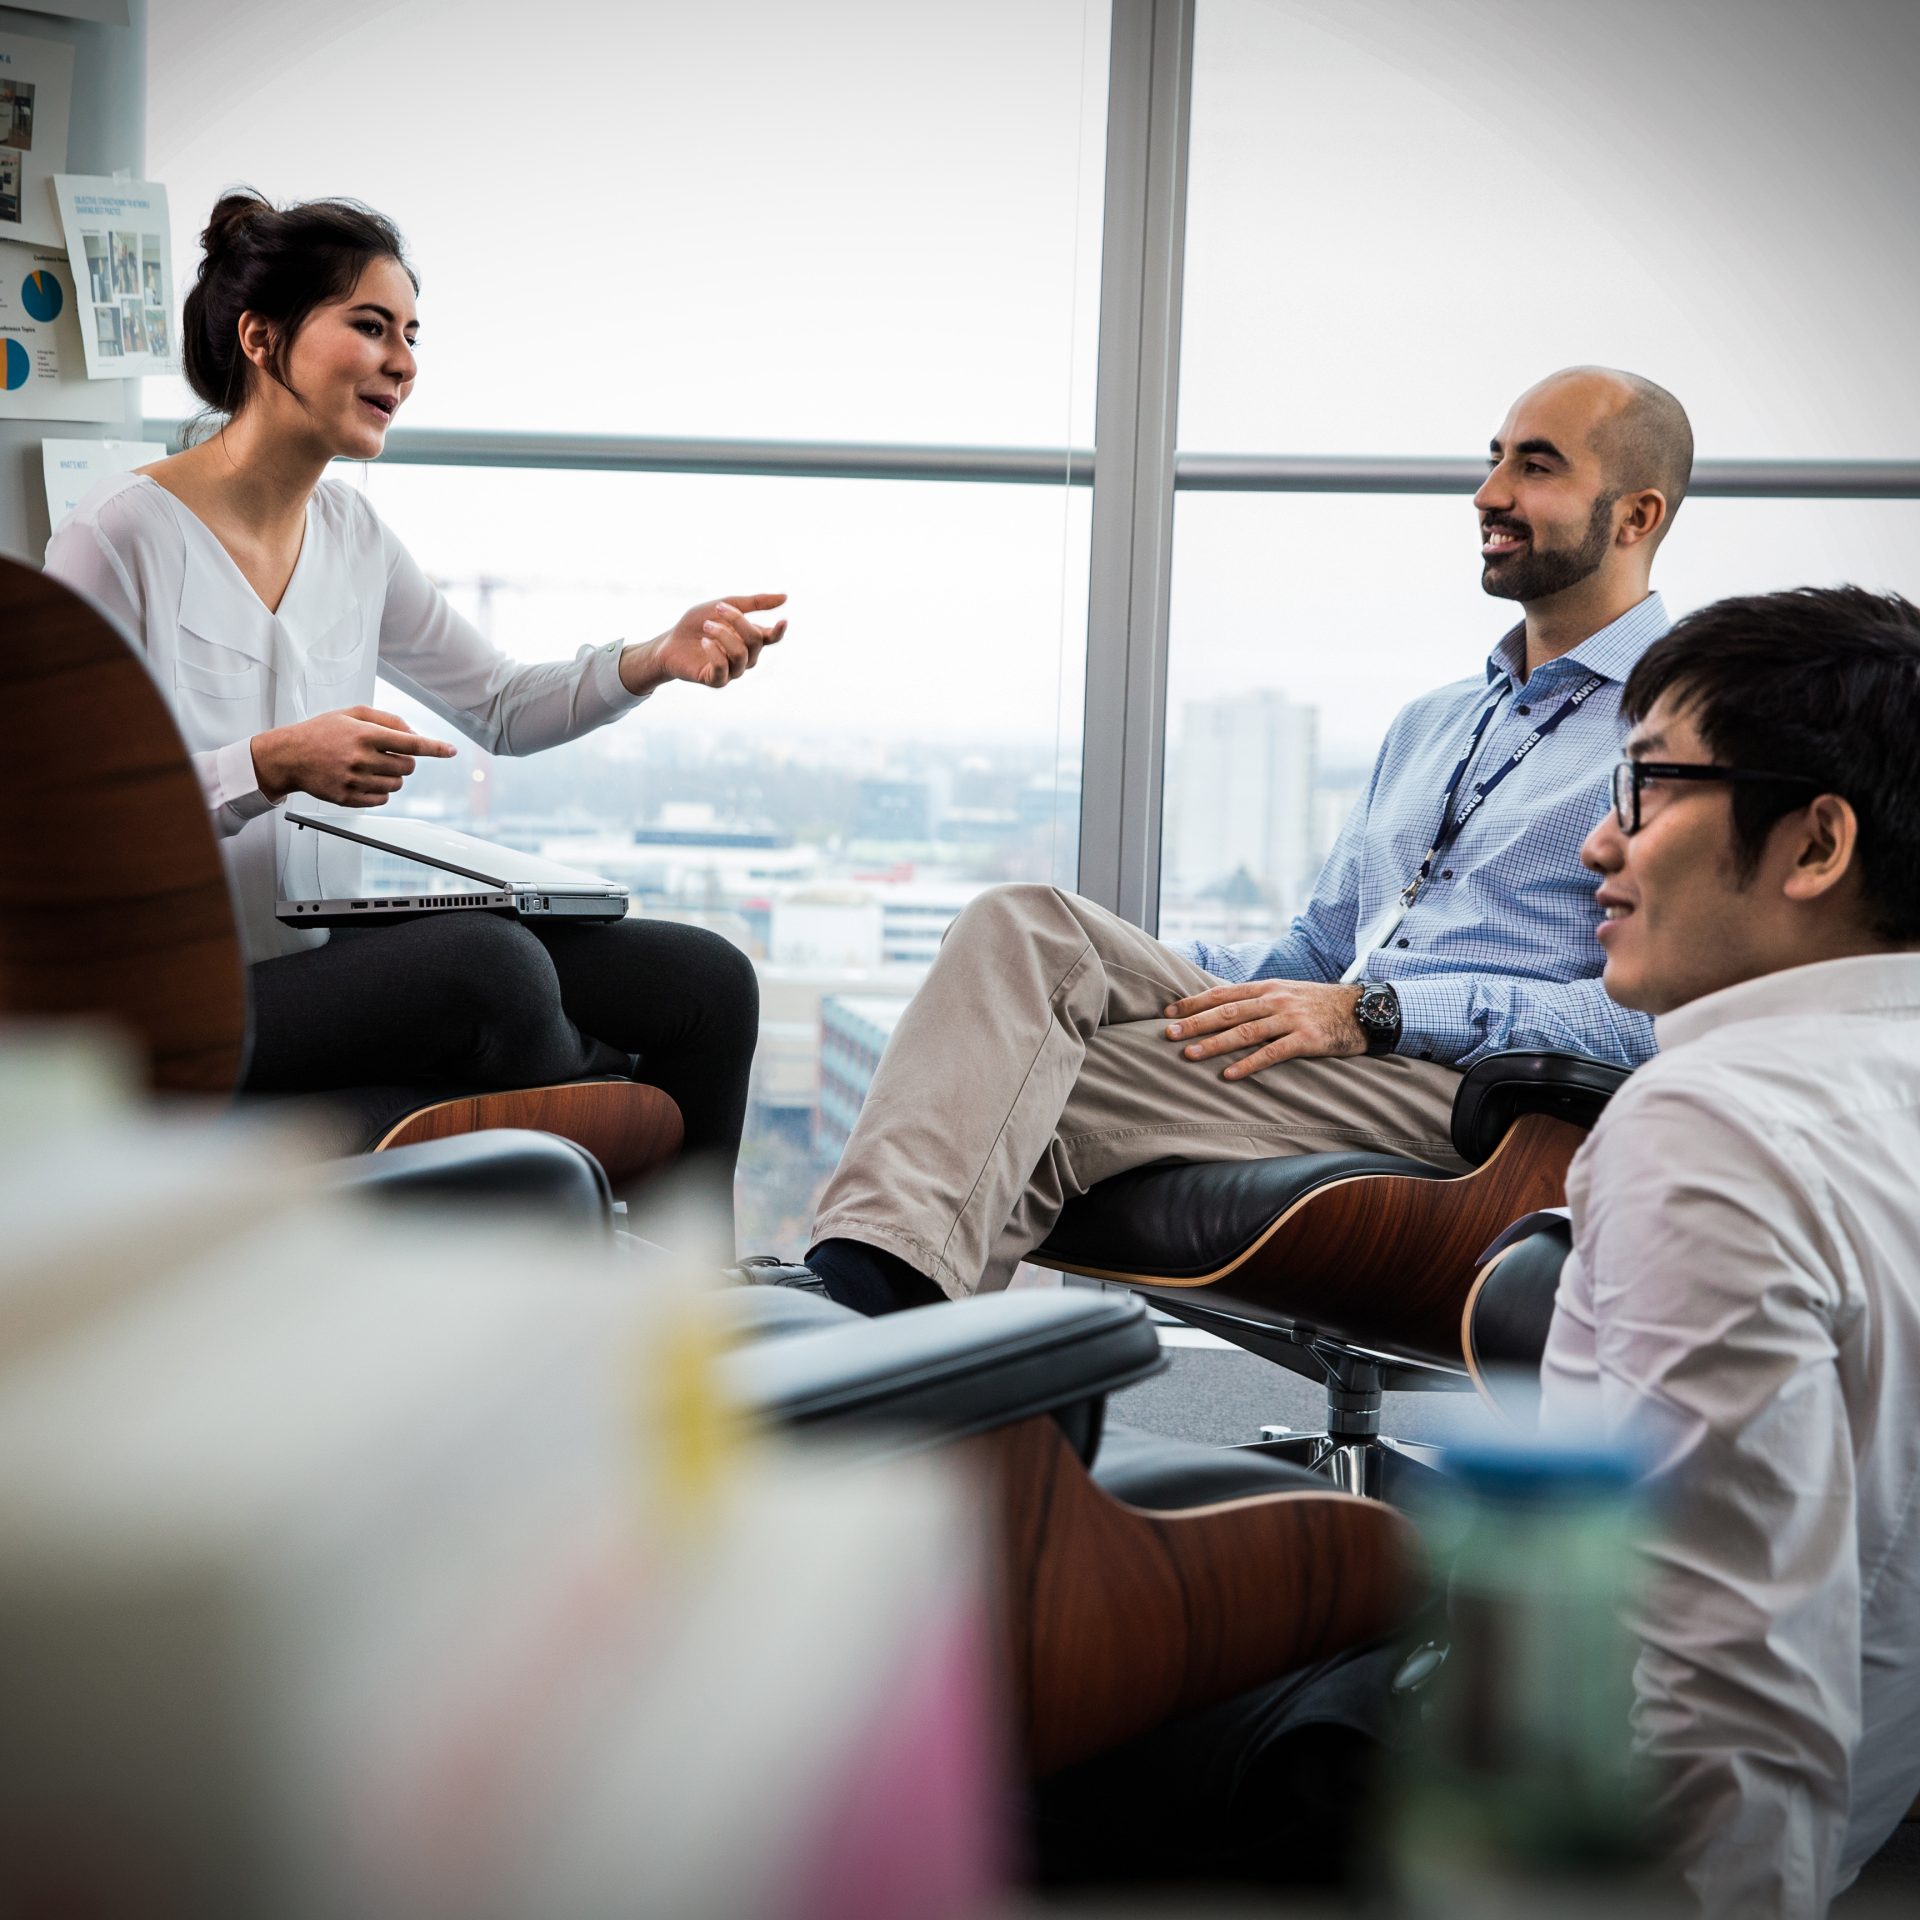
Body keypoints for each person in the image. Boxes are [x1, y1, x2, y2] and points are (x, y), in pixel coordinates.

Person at [750, 365, 1693, 1313]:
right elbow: (1318, 950)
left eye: (1536, 467)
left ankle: (849, 1332)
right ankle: (880, 1344)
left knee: (1029, 1090)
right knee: (1023, 929)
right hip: (1348, 1041)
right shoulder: (1435, 721)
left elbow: (1658, 1023)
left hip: (1480, 1104)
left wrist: (1380, 1012)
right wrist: (1126, 986)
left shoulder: (1682, 731)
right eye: (1494, 462)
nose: (1490, 495)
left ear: (1635, 514)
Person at [45, 192, 785, 1241]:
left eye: (411, 335)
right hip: (168, 1004)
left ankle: (686, 1306)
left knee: (708, 981)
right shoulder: (116, 538)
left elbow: (502, 705)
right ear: (263, 340)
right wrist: (268, 763)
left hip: (312, 965)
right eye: (370, 326)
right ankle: (594, 1093)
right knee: (494, 967)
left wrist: (653, 658)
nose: (403, 361)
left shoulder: (351, 532)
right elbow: (60, 828)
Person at [1541, 585, 1920, 1915]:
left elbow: (1727, 1690)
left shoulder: (1716, 1122)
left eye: (1647, 788)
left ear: (1814, 843)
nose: (1601, 844)